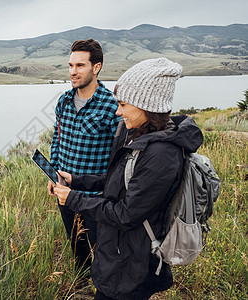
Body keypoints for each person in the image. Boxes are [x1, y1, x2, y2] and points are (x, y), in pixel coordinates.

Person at [54, 57, 204, 299]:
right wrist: (76, 180)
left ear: (145, 105)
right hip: (120, 254)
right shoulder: (139, 136)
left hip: (131, 264)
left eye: (123, 104)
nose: (118, 111)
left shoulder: (161, 155)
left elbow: (125, 215)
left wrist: (73, 199)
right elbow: (117, 181)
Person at [47, 39, 120, 275]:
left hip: (95, 199)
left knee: (102, 253)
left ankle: (102, 288)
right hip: (65, 193)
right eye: (70, 65)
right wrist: (53, 172)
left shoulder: (111, 106)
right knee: (76, 247)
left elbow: (119, 157)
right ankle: (79, 285)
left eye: (79, 65)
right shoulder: (64, 101)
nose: (72, 72)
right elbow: (57, 139)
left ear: (96, 67)